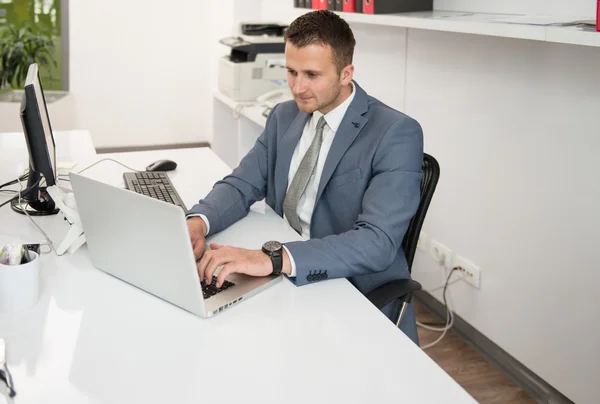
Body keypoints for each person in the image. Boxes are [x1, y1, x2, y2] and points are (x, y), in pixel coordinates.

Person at [187, 10, 423, 344]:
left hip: (348, 291)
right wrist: (198, 222)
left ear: (346, 73)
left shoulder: (395, 133)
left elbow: (377, 242)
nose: (298, 87)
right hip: (286, 281)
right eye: (291, 72)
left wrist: (272, 258)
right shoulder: (285, 116)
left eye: (312, 74)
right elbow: (243, 183)